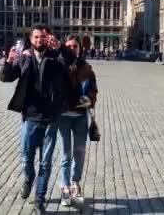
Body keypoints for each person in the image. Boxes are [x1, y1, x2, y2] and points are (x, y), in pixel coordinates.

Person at [0, 24, 72, 214]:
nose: (39, 40)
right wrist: (8, 62)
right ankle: (29, 178)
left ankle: (39, 199)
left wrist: (61, 48)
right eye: (36, 37)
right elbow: (6, 78)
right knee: (26, 157)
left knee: (46, 163)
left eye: (43, 37)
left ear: (48, 38)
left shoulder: (56, 57)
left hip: (51, 117)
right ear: (31, 39)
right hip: (30, 116)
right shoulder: (24, 57)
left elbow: (72, 62)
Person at [58, 35, 98, 206]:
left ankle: (75, 183)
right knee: (66, 153)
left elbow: (94, 91)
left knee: (79, 152)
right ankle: (65, 186)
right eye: (68, 46)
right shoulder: (59, 66)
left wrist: (89, 99)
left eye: (74, 46)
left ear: (79, 48)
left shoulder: (87, 69)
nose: (72, 49)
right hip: (63, 116)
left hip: (81, 116)